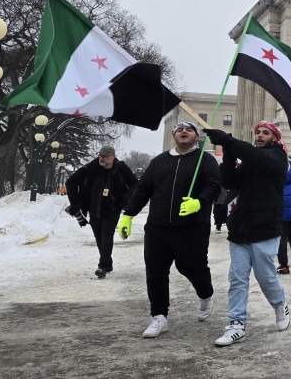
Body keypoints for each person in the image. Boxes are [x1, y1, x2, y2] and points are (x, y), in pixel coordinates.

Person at [118, 122, 220, 339]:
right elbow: (143, 190)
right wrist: (128, 215)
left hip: (192, 227)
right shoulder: (159, 161)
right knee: (155, 272)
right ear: (174, 135)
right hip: (158, 226)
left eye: (189, 130)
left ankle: (205, 294)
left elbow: (214, 186)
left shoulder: (205, 159)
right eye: (179, 130)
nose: (184, 132)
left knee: (191, 267)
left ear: (196, 137)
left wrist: (199, 202)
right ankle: (159, 316)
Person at [205, 121, 291, 346]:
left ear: (274, 138)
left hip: (265, 227)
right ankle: (236, 325)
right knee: (237, 278)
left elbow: (258, 157)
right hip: (240, 228)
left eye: (265, 133)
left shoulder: (278, 157)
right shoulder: (248, 161)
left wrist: (228, 140)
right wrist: (227, 157)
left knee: (265, 276)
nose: (260, 136)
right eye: (257, 133)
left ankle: (279, 303)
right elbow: (230, 181)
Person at [65, 145, 138, 279]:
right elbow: (70, 181)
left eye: (105, 156)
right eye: (100, 156)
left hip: (112, 208)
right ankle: (108, 263)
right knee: (99, 238)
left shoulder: (121, 168)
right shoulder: (91, 168)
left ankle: (102, 266)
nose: (102, 158)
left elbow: (135, 184)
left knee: (106, 237)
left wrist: (126, 198)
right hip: (94, 209)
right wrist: (76, 204)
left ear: (113, 156)